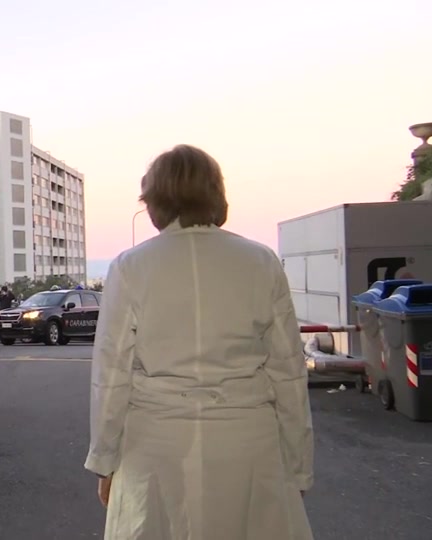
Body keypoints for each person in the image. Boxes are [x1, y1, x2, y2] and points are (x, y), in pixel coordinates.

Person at [85, 145, 314, 540]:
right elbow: (289, 372)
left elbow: (111, 376)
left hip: (155, 446)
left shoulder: (130, 267)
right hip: (249, 445)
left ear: (155, 200)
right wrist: (298, 466)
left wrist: (106, 459)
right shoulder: (261, 262)